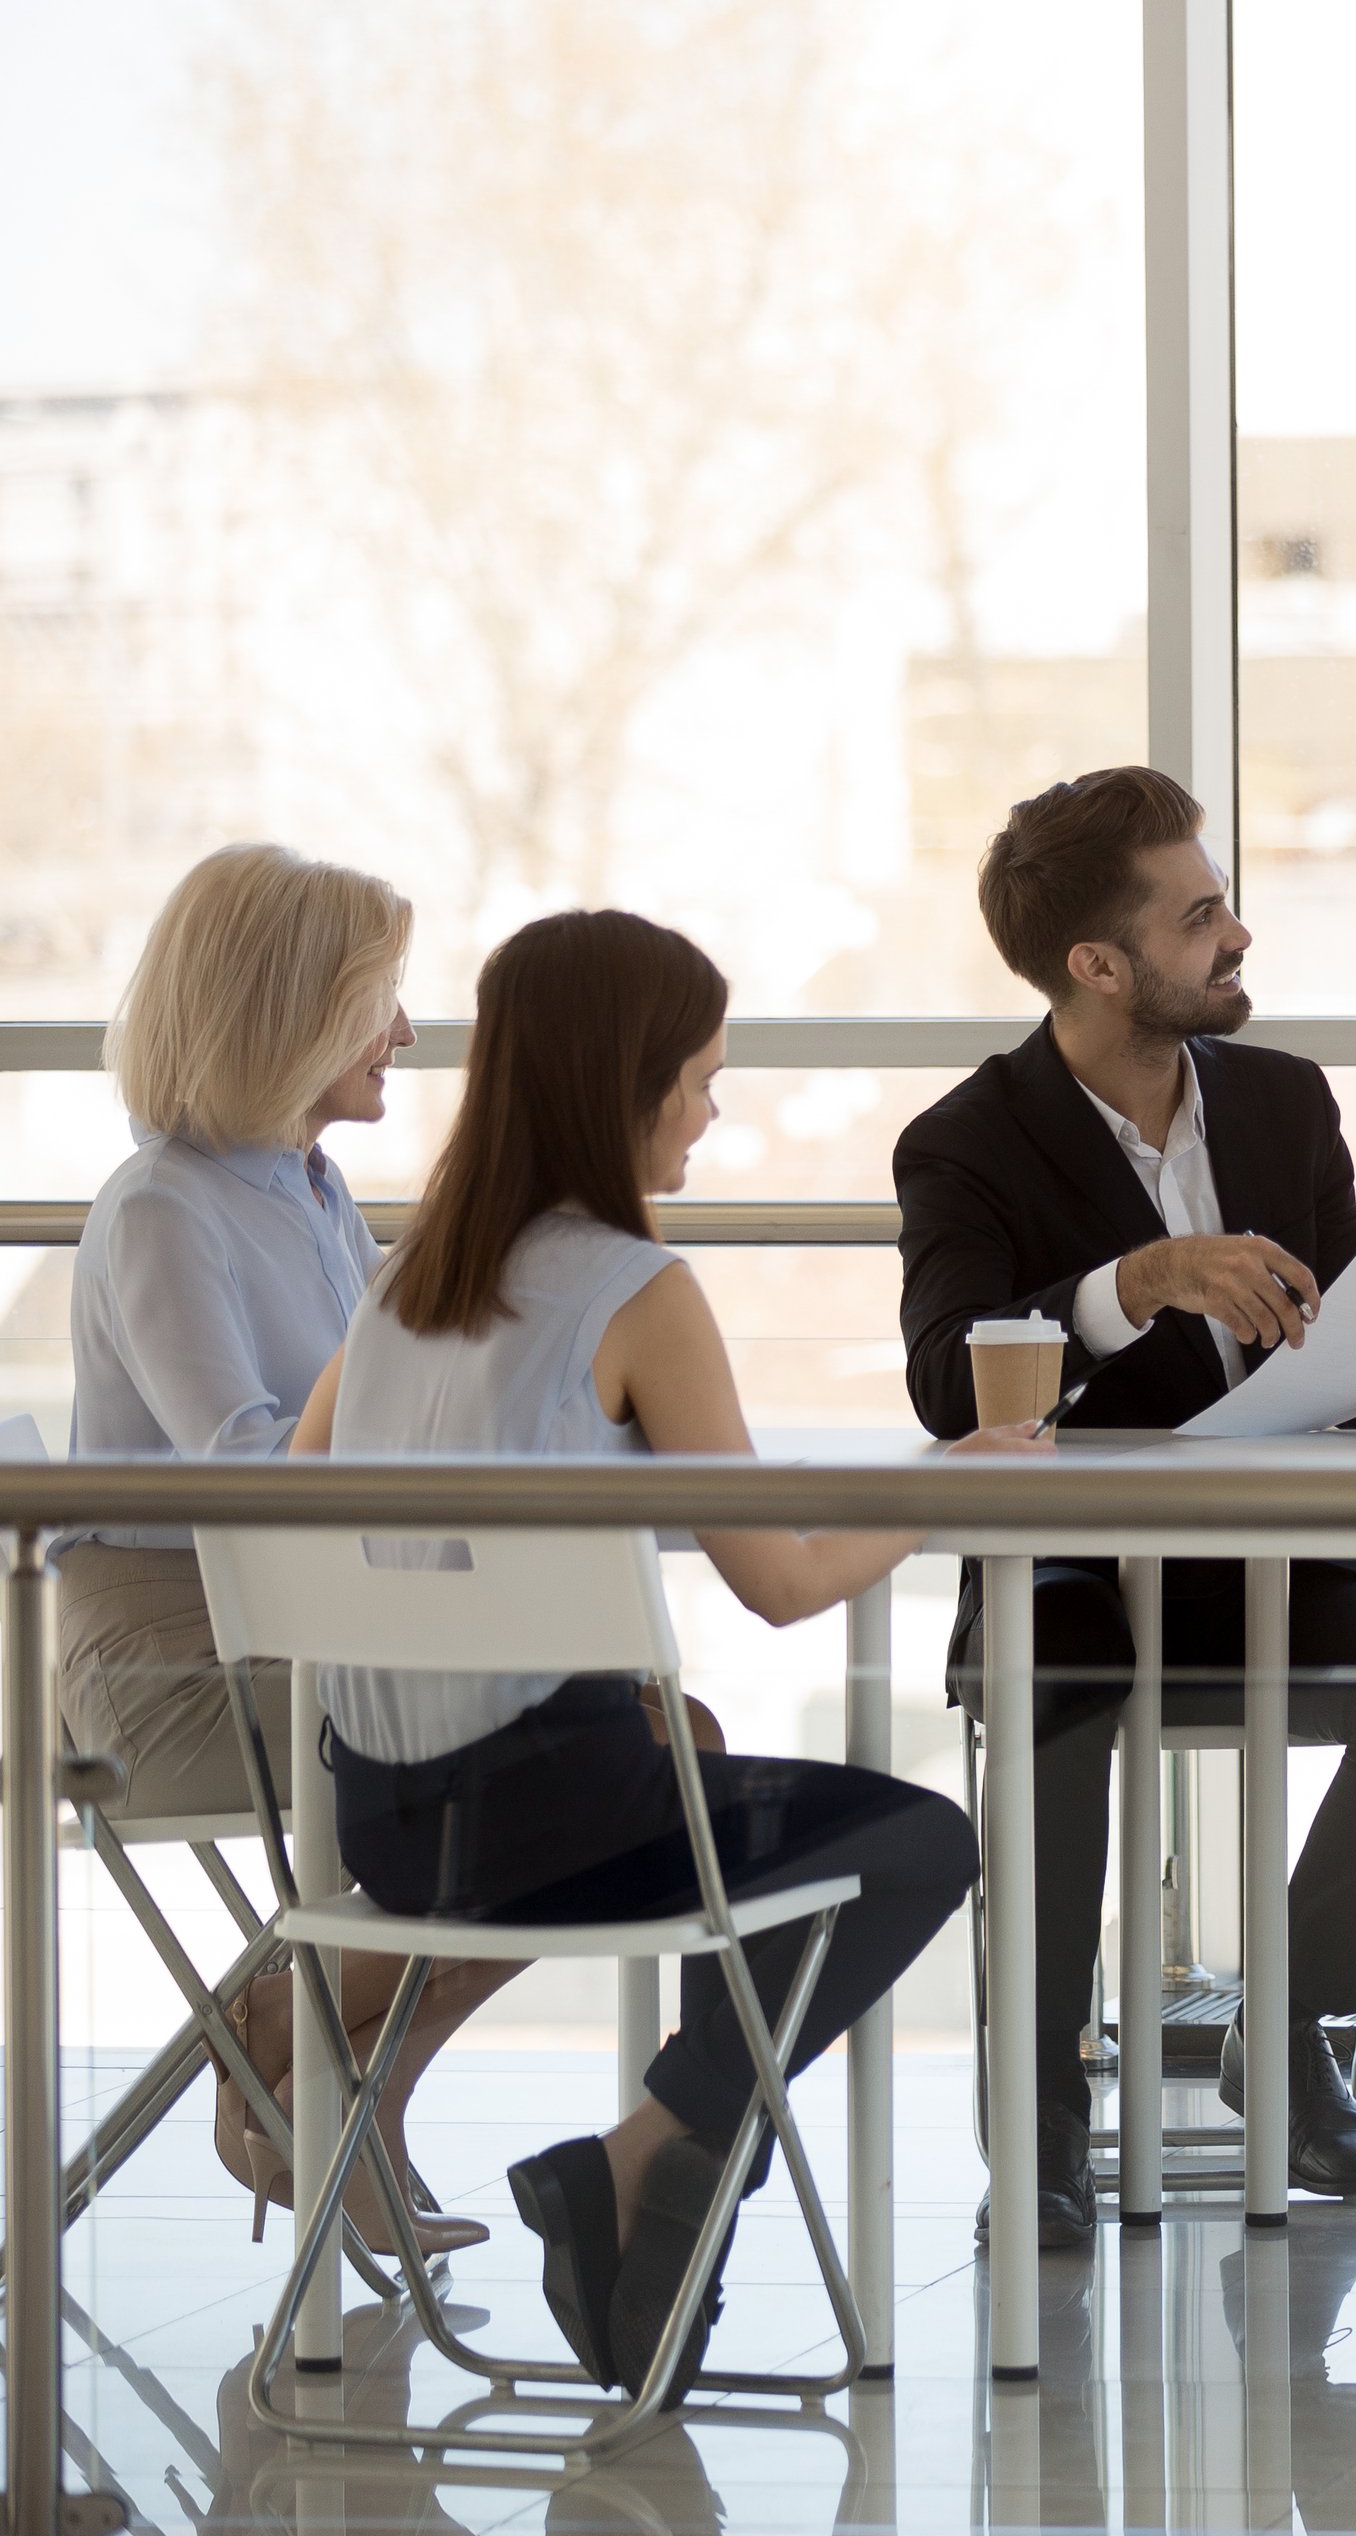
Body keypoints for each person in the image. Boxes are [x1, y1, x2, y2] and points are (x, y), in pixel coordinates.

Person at [294, 909, 1007, 2391]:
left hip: (386, 1825)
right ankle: (639, 2153)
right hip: (549, 1833)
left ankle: (664, 2230)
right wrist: (952, 1485)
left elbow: (300, 1505)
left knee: (719, 1793)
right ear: (627, 1087)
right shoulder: (638, 1291)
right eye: (699, 1079)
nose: (711, 1112)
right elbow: (782, 1582)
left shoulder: (399, 1286)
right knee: (920, 1843)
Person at [893, 764, 1356, 2245]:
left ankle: (1280, 2032)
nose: (1237, 934)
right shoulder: (965, 1141)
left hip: (1274, 1552)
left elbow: (1343, 1303)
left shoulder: (1284, 1098)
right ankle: (1042, 2111)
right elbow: (947, 1385)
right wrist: (1136, 1282)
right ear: (1100, 965)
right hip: (1068, 1565)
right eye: (1200, 914)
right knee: (1057, 1690)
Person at [59, 845, 504, 2247]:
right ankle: (294, 2052)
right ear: (287, 1014)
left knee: (643, 1742)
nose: (405, 1033)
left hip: (304, 1633)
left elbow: (383, 1425)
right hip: (175, 1667)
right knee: (591, 1754)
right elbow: (253, 1471)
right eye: (378, 1001)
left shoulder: (310, 1187)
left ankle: (332, 2075)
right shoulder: (162, 1210)